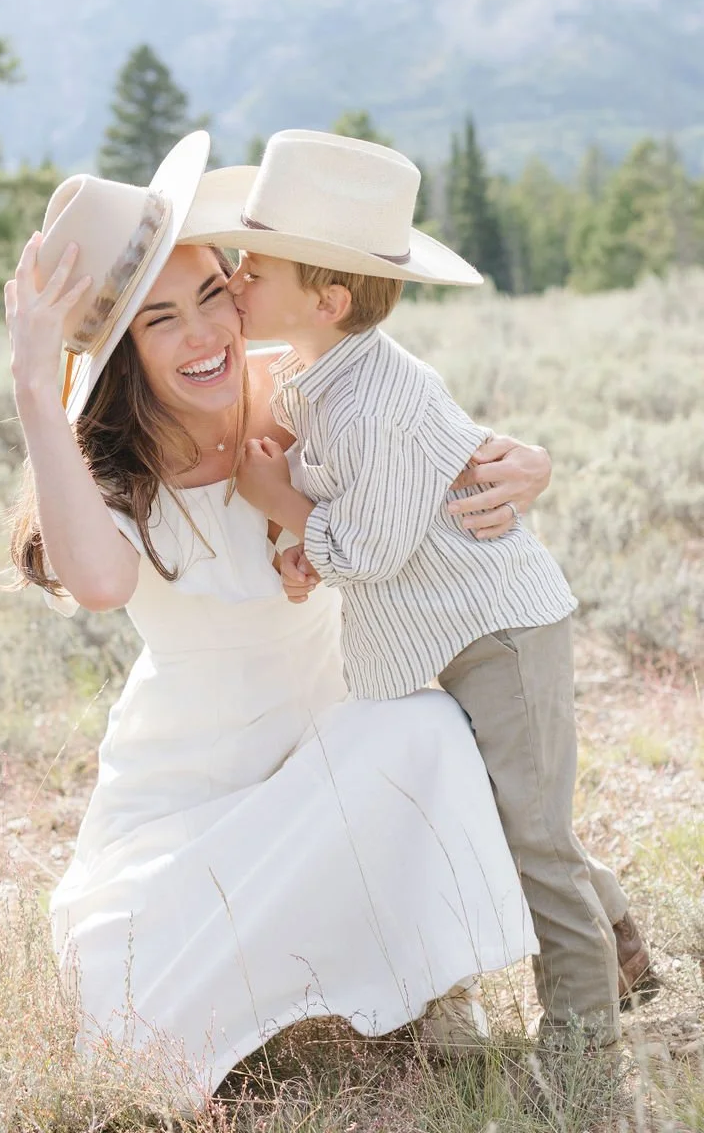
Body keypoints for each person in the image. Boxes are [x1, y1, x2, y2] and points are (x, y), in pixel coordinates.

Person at [5, 132, 554, 1102]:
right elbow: (96, 583)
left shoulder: (308, 385)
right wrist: (36, 391)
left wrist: (531, 462)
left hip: (328, 761)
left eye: (215, 293)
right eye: (159, 319)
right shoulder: (112, 474)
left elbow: (434, 432)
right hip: (187, 802)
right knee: (124, 1021)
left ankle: (432, 981)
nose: (203, 335)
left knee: (427, 730)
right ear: (125, 354)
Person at [179, 128, 659, 1052]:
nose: (236, 282)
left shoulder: (380, 402)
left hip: (501, 632)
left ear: (326, 297)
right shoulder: (326, 376)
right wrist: (309, 536)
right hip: (454, 630)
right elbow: (360, 511)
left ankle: (585, 1039)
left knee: (531, 832)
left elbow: (371, 547)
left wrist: (281, 501)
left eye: (253, 269)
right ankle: (623, 945)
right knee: (504, 806)